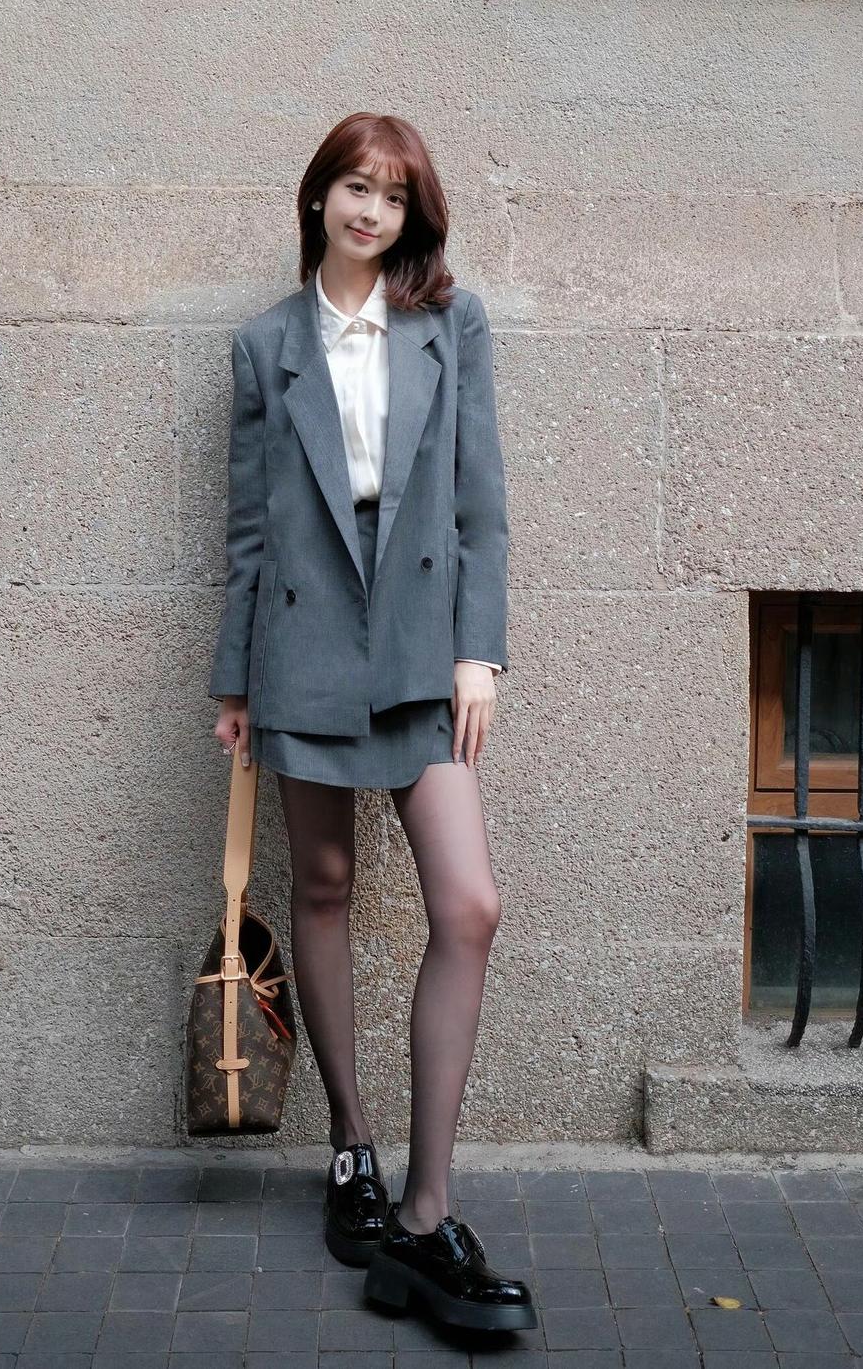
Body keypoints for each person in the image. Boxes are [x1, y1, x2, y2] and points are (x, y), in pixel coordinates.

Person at [209, 111, 537, 1332]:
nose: (370, 211)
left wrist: (475, 651)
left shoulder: (452, 324)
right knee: (325, 882)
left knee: (468, 902)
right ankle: (351, 1143)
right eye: (355, 186)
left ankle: (423, 1210)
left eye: (393, 196)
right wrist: (234, 684)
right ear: (318, 197)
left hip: (415, 638)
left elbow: (478, 502)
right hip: (299, 644)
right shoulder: (264, 344)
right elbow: (248, 530)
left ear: (412, 217)